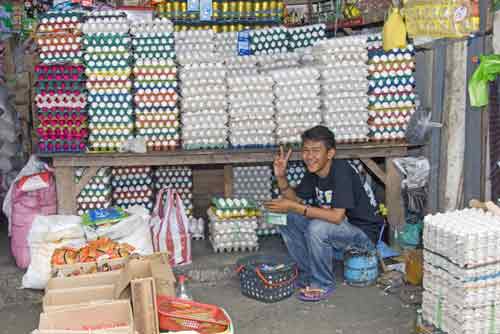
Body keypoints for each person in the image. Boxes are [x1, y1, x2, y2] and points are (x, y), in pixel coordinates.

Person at [264, 125, 384, 302]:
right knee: (286, 217)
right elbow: (295, 200)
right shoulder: (314, 171)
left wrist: (295, 207)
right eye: (306, 150)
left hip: (363, 238)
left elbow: (337, 217)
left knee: (317, 227)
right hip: (339, 234)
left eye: (315, 150)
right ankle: (308, 273)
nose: (309, 156)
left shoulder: (342, 171)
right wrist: (281, 177)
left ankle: (322, 283)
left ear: (330, 153)